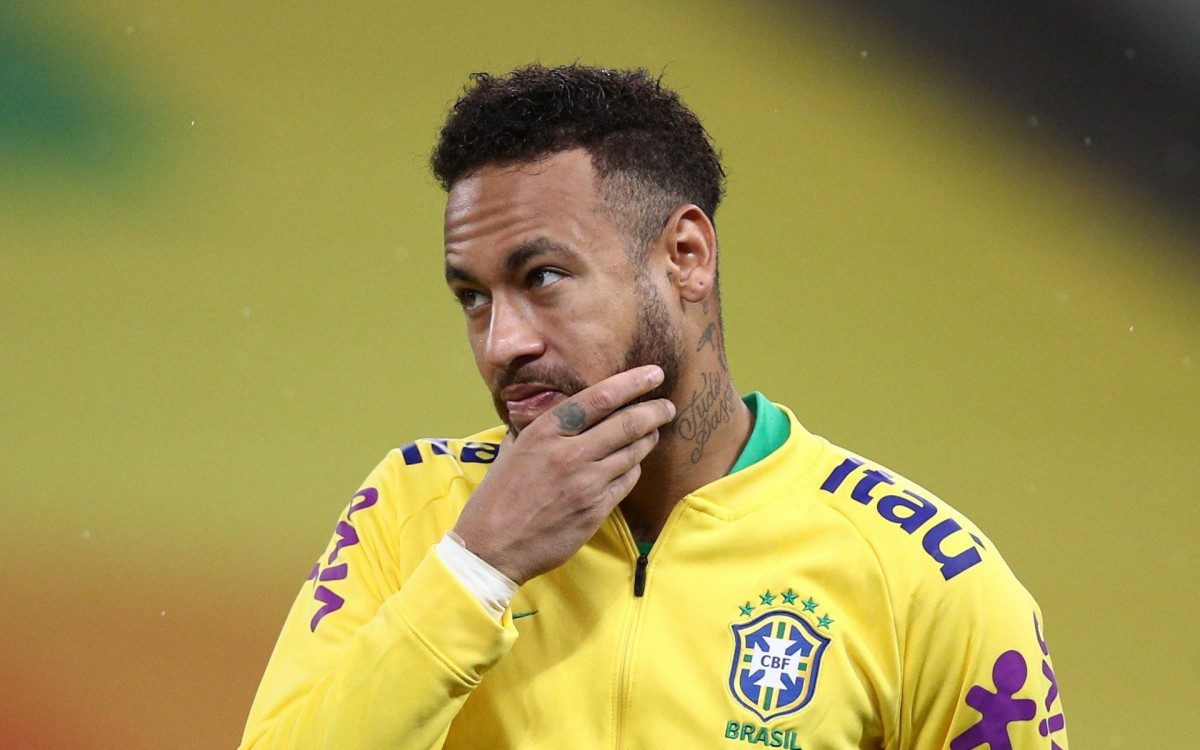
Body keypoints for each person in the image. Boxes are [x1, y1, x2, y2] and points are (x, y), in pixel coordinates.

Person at [239, 64, 1067, 749]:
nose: (502, 344)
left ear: (686, 256)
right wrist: (477, 570)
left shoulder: (927, 578)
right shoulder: (415, 515)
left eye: (542, 278)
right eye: (472, 297)